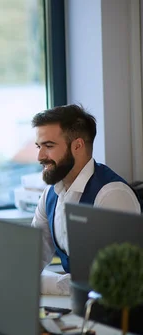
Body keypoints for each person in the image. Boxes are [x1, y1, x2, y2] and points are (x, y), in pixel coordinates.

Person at [30, 104, 141, 294]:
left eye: (49, 146)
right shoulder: (50, 194)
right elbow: (31, 256)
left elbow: (112, 280)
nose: (40, 156)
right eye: (39, 146)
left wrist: (39, 284)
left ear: (78, 146)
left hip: (114, 313)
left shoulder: (112, 195)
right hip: (78, 305)